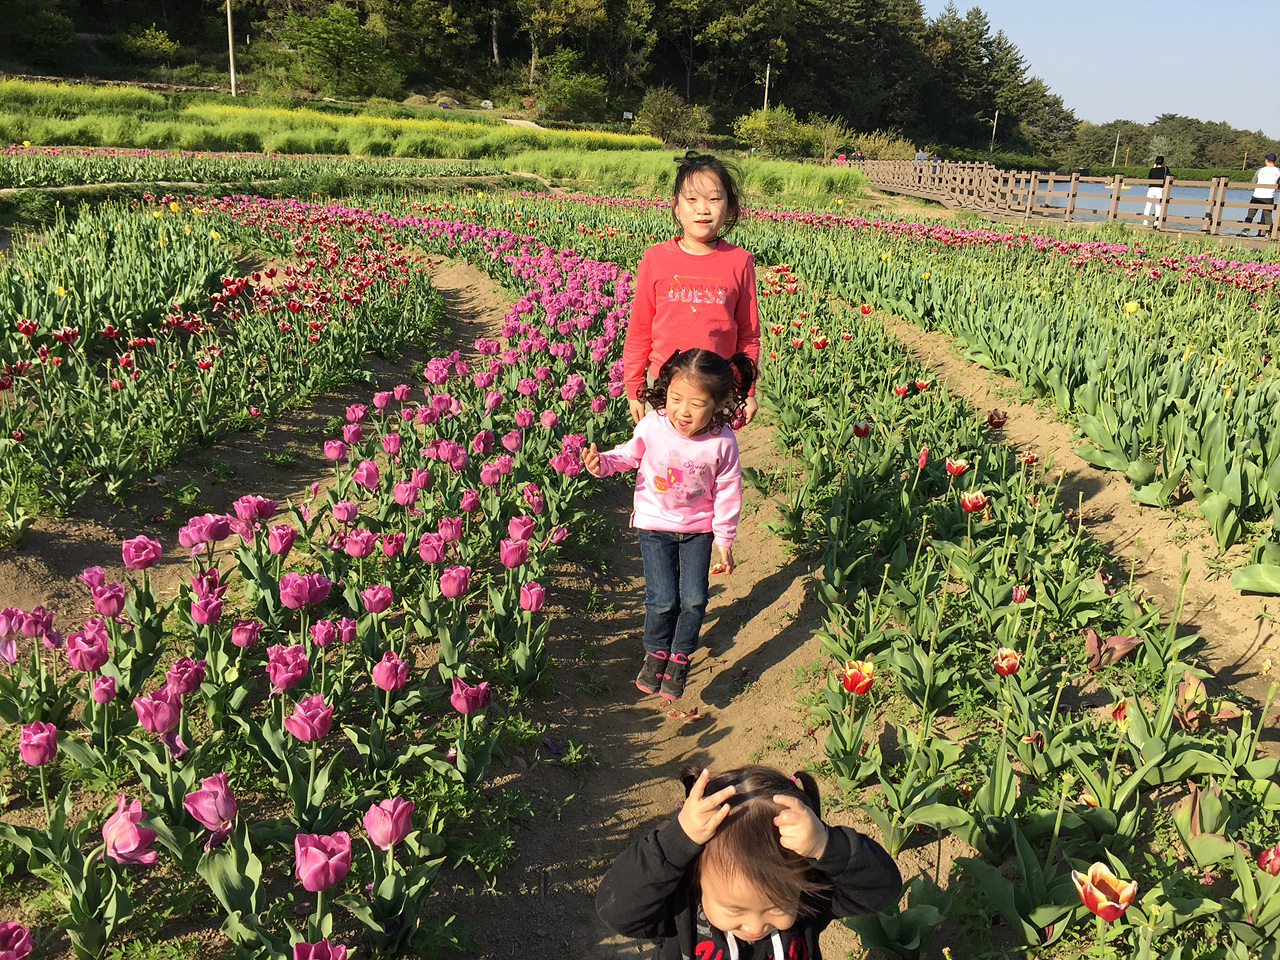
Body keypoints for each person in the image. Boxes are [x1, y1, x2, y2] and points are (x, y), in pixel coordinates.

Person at [584, 348, 754, 700]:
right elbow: (628, 455)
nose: (683, 411)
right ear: (666, 392)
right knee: (662, 598)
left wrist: (724, 540)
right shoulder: (653, 426)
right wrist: (603, 463)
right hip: (654, 524)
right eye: (676, 399)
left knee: (693, 599)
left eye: (697, 403)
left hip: (698, 530)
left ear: (718, 404)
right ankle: (656, 651)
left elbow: (728, 492)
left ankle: (680, 656)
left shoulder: (722, 441)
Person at [597, 765, 901, 960]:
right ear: (697, 875)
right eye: (734, 910)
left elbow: (881, 890)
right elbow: (616, 909)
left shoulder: (806, 896)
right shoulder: (682, 907)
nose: (755, 926)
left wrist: (826, 845)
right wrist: (675, 842)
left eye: (776, 907)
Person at [622, 152, 760, 427]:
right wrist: (634, 386)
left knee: (711, 451)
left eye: (714, 199)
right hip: (664, 386)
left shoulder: (739, 261)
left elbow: (748, 336)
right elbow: (639, 330)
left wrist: (747, 391)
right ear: (676, 207)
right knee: (661, 451)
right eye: (692, 199)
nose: (703, 209)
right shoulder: (655, 258)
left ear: (730, 208)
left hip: (716, 386)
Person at [1243, 153, 1280, 237]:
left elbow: (1254, 181)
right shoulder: (1278, 171)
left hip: (1257, 195)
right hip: (1269, 196)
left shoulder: (1260, 170)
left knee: (1251, 214)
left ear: (1266, 160)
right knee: (1268, 215)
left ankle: (1245, 231)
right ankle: (1268, 233)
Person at [1143, 155, 1172, 225]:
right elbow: (1169, 176)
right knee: (1158, 205)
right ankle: (1156, 222)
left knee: (1148, 205)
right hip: (1159, 189)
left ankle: (1145, 221)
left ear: (1155, 162)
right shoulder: (1165, 169)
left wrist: (1154, 168)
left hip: (1151, 189)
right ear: (1163, 162)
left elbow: (1150, 177)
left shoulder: (1152, 170)